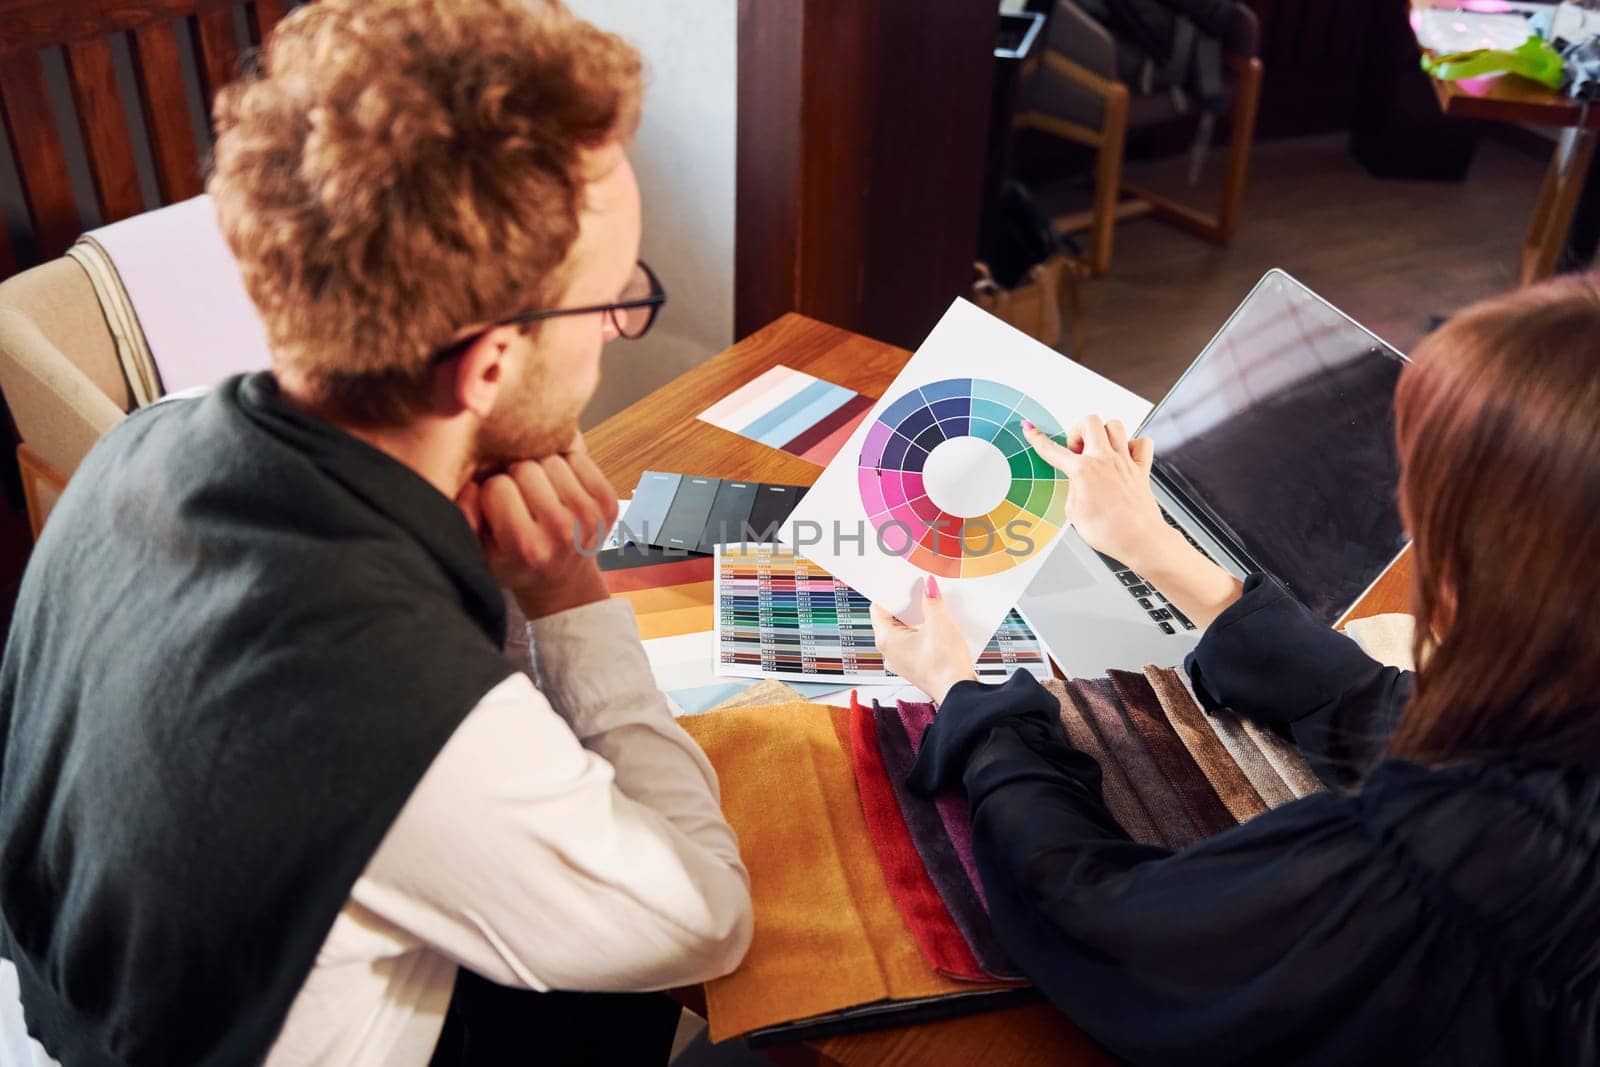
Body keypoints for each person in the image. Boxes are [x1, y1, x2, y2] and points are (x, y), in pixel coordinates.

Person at [0, 2, 752, 1065]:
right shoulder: (410, 716)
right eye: (611, 305)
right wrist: (570, 596)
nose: (617, 335)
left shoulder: (136, 446)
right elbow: (705, 916)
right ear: (488, 364)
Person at [870, 275, 1600, 1063]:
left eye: (1427, 508)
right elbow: (1388, 712)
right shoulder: (1559, 734)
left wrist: (963, 698)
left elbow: (1101, 927)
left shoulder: (1439, 865)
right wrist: (1155, 548)